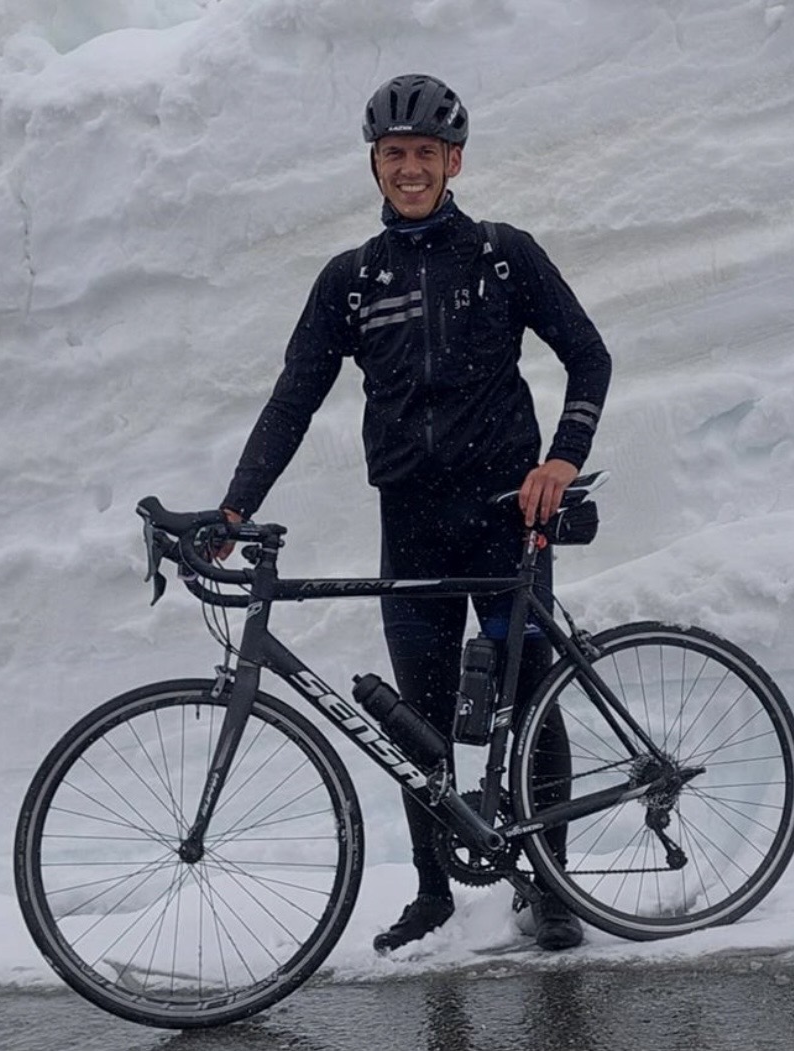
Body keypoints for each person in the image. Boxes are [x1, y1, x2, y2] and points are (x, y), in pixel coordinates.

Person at [219, 73, 612, 953]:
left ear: (453, 162)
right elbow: (293, 399)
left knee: (532, 702)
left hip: (506, 522)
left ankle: (552, 888)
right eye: (394, 153)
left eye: (425, 153)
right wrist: (237, 505)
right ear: (375, 163)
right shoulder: (351, 281)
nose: (409, 168)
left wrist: (562, 458)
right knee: (417, 724)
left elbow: (589, 357)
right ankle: (435, 891)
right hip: (412, 525)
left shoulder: (504, 256)